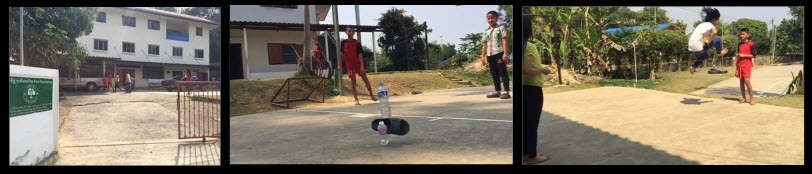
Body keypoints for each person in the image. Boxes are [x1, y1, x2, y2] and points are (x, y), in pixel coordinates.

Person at [522, 15, 552, 165]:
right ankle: (532, 156)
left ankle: (525, 153)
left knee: (525, 123)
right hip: (532, 89)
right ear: (529, 30)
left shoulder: (521, 46)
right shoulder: (529, 46)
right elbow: (526, 69)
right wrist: (543, 70)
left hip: (524, 89)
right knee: (532, 123)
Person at [340, 26, 377, 105]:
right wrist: (339, 65)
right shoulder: (344, 42)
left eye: (352, 31)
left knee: (365, 79)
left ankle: (372, 95)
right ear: (346, 32)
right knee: (353, 81)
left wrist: (362, 66)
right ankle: (356, 99)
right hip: (350, 65)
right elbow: (342, 54)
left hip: (358, 64)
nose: (350, 32)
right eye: (348, 31)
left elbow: (360, 54)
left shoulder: (357, 43)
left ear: (354, 33)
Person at [687, 7, 729, 74]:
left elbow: (703, 37)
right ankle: (719, 53)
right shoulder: (709, 25)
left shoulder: (702, 25)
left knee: (705, 55)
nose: (717, 22)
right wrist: (707, 43)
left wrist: (707, 41)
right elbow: (715, 32)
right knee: (718, 39)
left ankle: (693, 67)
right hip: (698, 47)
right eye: (717, 20)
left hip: (691, 48)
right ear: (714, 20)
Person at [481, 10, 511, 99]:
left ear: (497, 18)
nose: (490, 20)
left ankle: (506, 92)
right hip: (490, 55)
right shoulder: (486, 31)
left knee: (502, 72)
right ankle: (497, 91)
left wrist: (505, 53)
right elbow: (484, 44)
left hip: (499, 53)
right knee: (494, 73)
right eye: (488, 18)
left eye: (492, 18)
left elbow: (505, 40)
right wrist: (483, 56)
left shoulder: (500, 28)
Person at [736, 28, 757, 105]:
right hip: (739, 65)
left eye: (743, 34)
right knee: (741, 81)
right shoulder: (739, 44)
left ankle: (752, 98)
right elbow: (739, 54)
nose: (741, 36)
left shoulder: (751, 44)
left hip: (747, 65)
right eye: (740, 34)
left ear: (748, 35)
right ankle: (744, 98)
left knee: (747, 81)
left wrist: (744, 55)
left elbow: (755, 56)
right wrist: (736, 66)